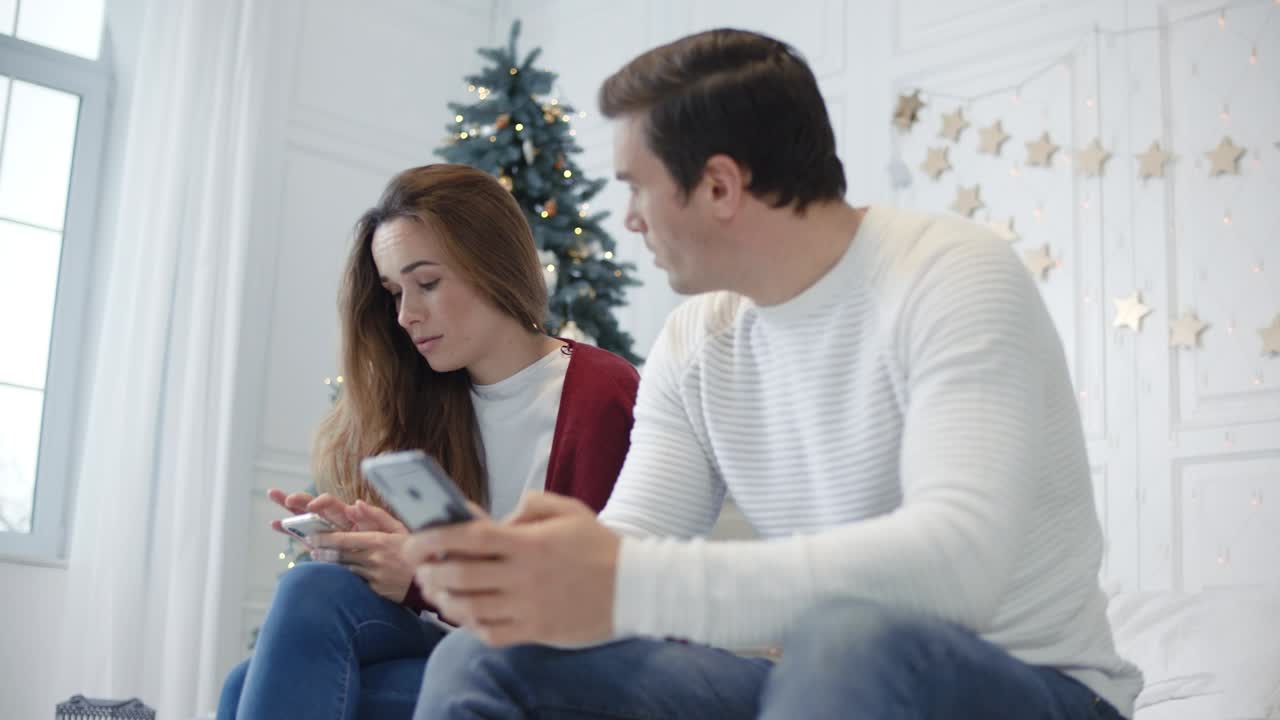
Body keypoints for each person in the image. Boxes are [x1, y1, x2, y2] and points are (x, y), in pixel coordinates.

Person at [402, 29, 1143, 720]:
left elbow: (957, 571)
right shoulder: (696, 340)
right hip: (828, 676)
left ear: (720, 187)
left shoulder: (951, 277)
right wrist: (533, 577)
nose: (629, 218)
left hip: (1037, 686)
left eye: (636, 186)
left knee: (850, 640)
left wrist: (620, 577)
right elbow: (628, 547)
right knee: (484, 658)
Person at [216, 164, 639, 719]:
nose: (407, 315)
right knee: (300, 606)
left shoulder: (598, 391)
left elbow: (595, 606)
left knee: (253, 683)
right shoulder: (425, 398)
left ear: (492, 264)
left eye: (428, 284)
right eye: (394, 292)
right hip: (449, 640)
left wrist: (422, 577)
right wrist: (370, 550)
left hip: (550, 665)